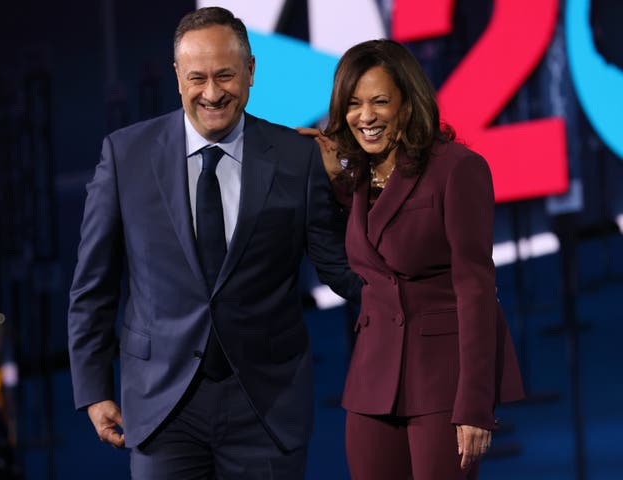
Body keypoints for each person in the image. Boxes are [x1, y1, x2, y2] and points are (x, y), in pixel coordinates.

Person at [67, 7, 361, 479]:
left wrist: (423, 285)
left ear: (250, 73)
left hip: (267, 403)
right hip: (162, 406)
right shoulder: (125, 155)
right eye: (198, 77)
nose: (212, 92)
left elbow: (339, 269)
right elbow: (93, 286)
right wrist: (94, 387)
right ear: (178, 76)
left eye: (225, 75)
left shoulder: (297, 157)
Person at [297, 39, 525, 479]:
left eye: (380, 102)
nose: (365, 116)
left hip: (442, 383)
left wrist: (476, 401)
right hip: (372, 383)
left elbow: (476, 289)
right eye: (353, 104)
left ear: (407, 104)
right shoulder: (356, 175)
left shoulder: (457, 169)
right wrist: (334, 170)